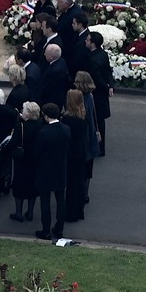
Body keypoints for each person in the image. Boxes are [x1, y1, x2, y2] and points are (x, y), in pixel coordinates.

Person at [33, 103, 70, 240]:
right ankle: (59, 229)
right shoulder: (66, 130)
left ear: (46, 116)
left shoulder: (43, 133)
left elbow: (37, 153)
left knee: (45, 202)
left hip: (45, 171)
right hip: (60, 169)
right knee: (60, 201)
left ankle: (46, 230)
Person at [8, 102, 42, 223]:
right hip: (35, 160)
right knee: (33, 186)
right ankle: (30, 212)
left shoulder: (20, 127)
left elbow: (12, 143)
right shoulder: (41, 125)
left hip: (21, 160)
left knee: (19, 186)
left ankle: (19, 213)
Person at [74, 71, 103, 209]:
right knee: (88, 168)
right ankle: (85, 194)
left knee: (81, 167)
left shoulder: (79, 97)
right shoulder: (90, 96)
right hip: (90, 134)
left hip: (83, 135)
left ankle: (80, 194)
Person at [61, 89, 89, 224]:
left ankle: (70, 213)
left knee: (71, 184)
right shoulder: (83, 115)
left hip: (71, 153)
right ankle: (79, 210)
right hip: (81, 151)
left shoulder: (67, 119)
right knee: (79, 182)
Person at [85, 31, 115, 156]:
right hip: (102, 92)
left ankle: (97, 145)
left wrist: (106, 86)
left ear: (92, 44)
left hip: (96, 92)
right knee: (100, 120)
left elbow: (97, 78)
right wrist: (110, 86)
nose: (85, 41)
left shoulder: (92, 59)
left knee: (95, 120)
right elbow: (108, 71)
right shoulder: (102, 54)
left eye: (87, 40)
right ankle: (101, 146)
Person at [40, 43, 70, 109]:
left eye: (46, 53)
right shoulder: (61, 61)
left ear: (51, 57)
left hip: (51, 100)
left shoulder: (53, 71)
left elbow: (46, 88)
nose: (44, 54)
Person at [67, 11, 91, 81]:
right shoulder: (78, 35)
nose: (72, 25)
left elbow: (78, 59)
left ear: (80, 25)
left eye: (74, 23)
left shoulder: (85, 40)